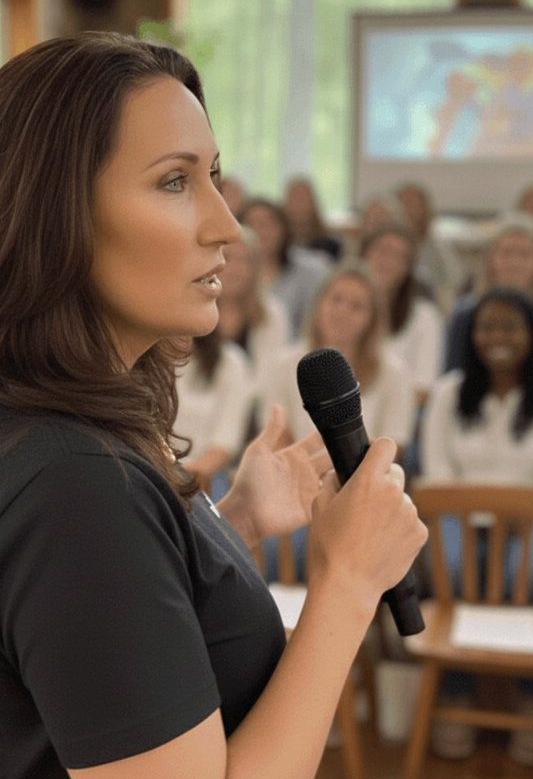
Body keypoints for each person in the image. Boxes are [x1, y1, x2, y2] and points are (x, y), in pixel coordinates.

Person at [0, 33, 425, 779]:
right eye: (175, 181)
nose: (227, 225)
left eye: (214, 175)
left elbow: (117, 643)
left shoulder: (58, 429)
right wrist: (350, 582)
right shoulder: (69, 487)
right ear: (52, 215)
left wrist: (232, 525)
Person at [422, 287, 533, 763]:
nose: (498, 337)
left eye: (510, 326)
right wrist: (483, 513)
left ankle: (530, 694)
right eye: (487, 326)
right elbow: (438, 480)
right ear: (472, 335)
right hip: (458, 522)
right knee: (450, 561)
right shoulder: (447, 393)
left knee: (527, 573)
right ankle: (455, 691)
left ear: (532, 335)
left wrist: (503, 517)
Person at [262, 260, 417, 581]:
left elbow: (392, 449)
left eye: (357, 306)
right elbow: (278, 437)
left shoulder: (394, 373)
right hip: (298, 490)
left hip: (364, 496)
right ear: (318, 303)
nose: (342, 311)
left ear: (373, 319)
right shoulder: (284, 364)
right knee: (275, 554)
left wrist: (343, 487)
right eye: (336, 299)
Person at [445, 212, 533, 394]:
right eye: (506, 253)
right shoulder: (465, 315)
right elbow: (453, 385)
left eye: (524, 254)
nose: (514, 263)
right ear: (490, 259)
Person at [360, 222, 444, 406]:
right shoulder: (342, 310)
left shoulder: (425, 317)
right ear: (363, 255)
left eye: (398, 256)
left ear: (408, 267)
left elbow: (422, 391)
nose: (387, 261)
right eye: (382, 251)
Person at [239, 198, 331, 340]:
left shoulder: (311, 270)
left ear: (282, 228)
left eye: (266, 224)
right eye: (252, 225)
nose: (260, 232)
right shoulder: (228, 272)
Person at [216, 227, 289, 405]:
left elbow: (270, 378)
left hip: (251, 410)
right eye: (227, 258)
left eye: (245, 260)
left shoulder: (271, 314)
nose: (234, 269)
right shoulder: (194, 311)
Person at [174, 330, 254, 492]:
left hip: (198, 477)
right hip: (150, 469)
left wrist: (187, 475)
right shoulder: (147, 357)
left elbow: (225, 440)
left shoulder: (230, 360)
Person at [394, 182, 463, 312]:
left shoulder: (440, 250)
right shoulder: (383, 249)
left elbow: (452, 291)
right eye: (402, 204)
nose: (407, 210)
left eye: (412, 204)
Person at [282, 177, 342, 261]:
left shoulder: (330, 245)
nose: (298, 205)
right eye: (294, 199)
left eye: (302, 199)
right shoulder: (280, 246)